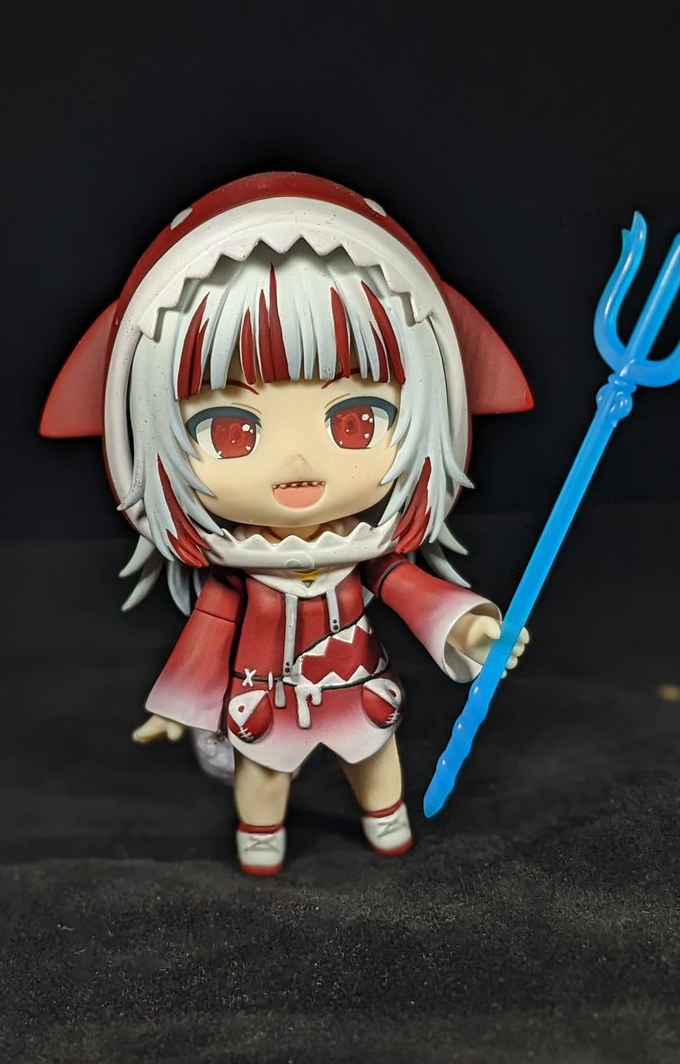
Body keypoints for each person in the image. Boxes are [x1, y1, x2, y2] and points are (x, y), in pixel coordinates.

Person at [42, 172, 532, 875]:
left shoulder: (365, 554)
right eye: (233, 430)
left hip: (359, 690)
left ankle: (385, 819)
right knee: (264, 770)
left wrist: (470, 630)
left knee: (375, 760)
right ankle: (261, 832)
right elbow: (209, 633)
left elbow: (411, 590)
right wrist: (178, 708)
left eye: (356, 421)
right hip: (264, 699)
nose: (299, 460)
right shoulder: (238, 577)